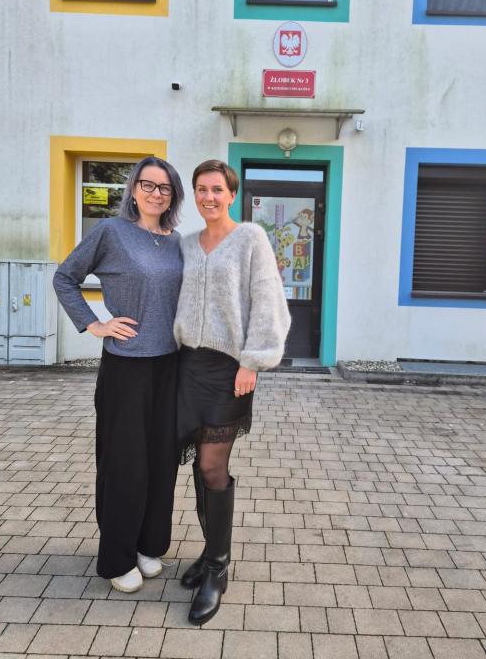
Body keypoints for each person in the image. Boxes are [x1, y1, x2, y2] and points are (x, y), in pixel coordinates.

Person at [53, 156, 184, 593]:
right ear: (133, 188)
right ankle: (117, 557)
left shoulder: (176, 242)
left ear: (173, 195)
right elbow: (65, 278)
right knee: (126, 464)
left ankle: (148, 545)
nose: (155, 193)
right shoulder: (110, 232)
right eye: (147, 184)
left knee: (161, 462)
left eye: (164, 187)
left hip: (170, 365)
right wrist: (94, 324)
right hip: (126, 367)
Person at [173, 159, 291, 625]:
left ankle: (218, 569)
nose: (209, 197)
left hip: (228, 370)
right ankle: (209, 553)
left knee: (211, 464)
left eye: (217, 189)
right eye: (202, 189)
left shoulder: (250, 238)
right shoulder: (186, 243)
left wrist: (252, 361)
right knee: (197, 464)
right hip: (186, 366)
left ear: (231, 194)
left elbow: (268, 300)